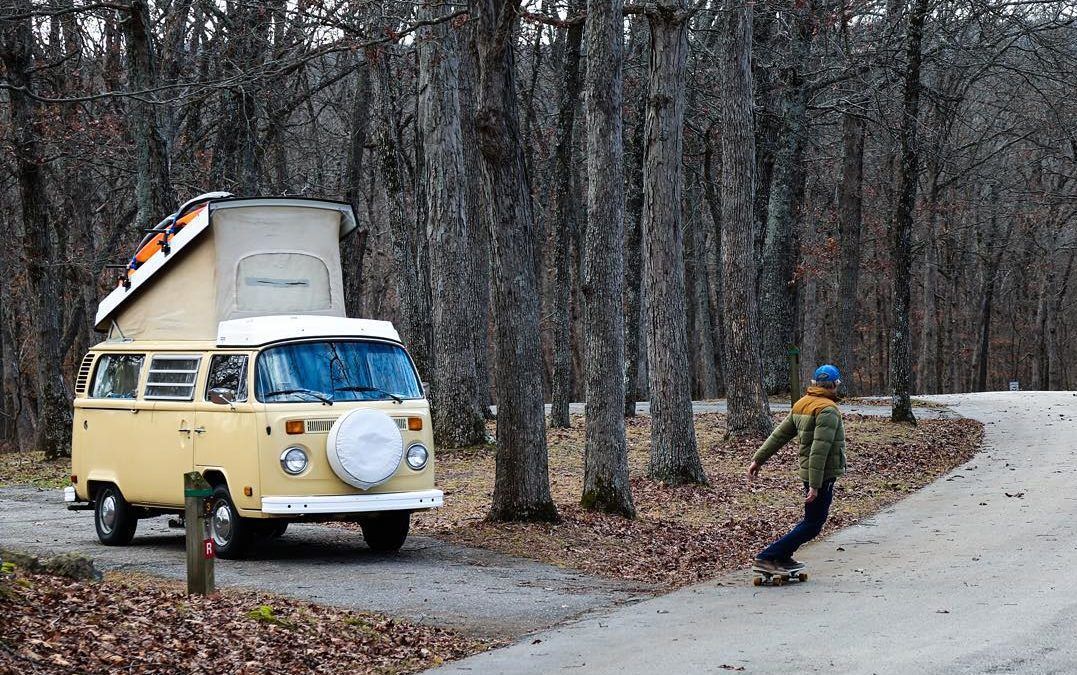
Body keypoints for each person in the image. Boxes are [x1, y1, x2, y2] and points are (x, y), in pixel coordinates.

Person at [746, 364, 847, 574]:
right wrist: (816, 486)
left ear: (814, 383)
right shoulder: (827, 410)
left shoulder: (803, 404)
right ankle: (769, 557)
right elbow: (820, 450)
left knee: (811, 522)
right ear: (835, 385)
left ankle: (782, 556)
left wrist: (758, 459)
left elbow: (779, 435)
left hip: (809, 473)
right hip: (820, 475)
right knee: (813, 524)